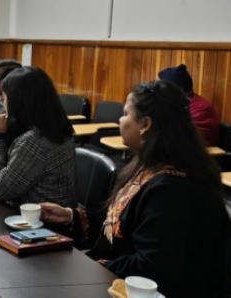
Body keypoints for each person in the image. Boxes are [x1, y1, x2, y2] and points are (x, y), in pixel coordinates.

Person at [40, 80, 231, 298]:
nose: (120, 120)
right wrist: (70, 217)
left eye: (125, 113)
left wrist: (85, 267)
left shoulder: (174, 189)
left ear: (145, 124)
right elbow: (119, 229)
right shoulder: (149, 166)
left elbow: (152, 266)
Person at [0, 66, 76, 207]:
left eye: (5, 97)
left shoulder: (34, 141)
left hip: (41, 220)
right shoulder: (57, 126)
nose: (2, 101)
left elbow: (1, 190)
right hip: (55, 214)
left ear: (19, 101)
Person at [157, 64, 220, 146]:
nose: (156, 90)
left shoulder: (202, 109)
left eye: (159, 87)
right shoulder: (177, 102)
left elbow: (185, 140)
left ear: (174, 90)